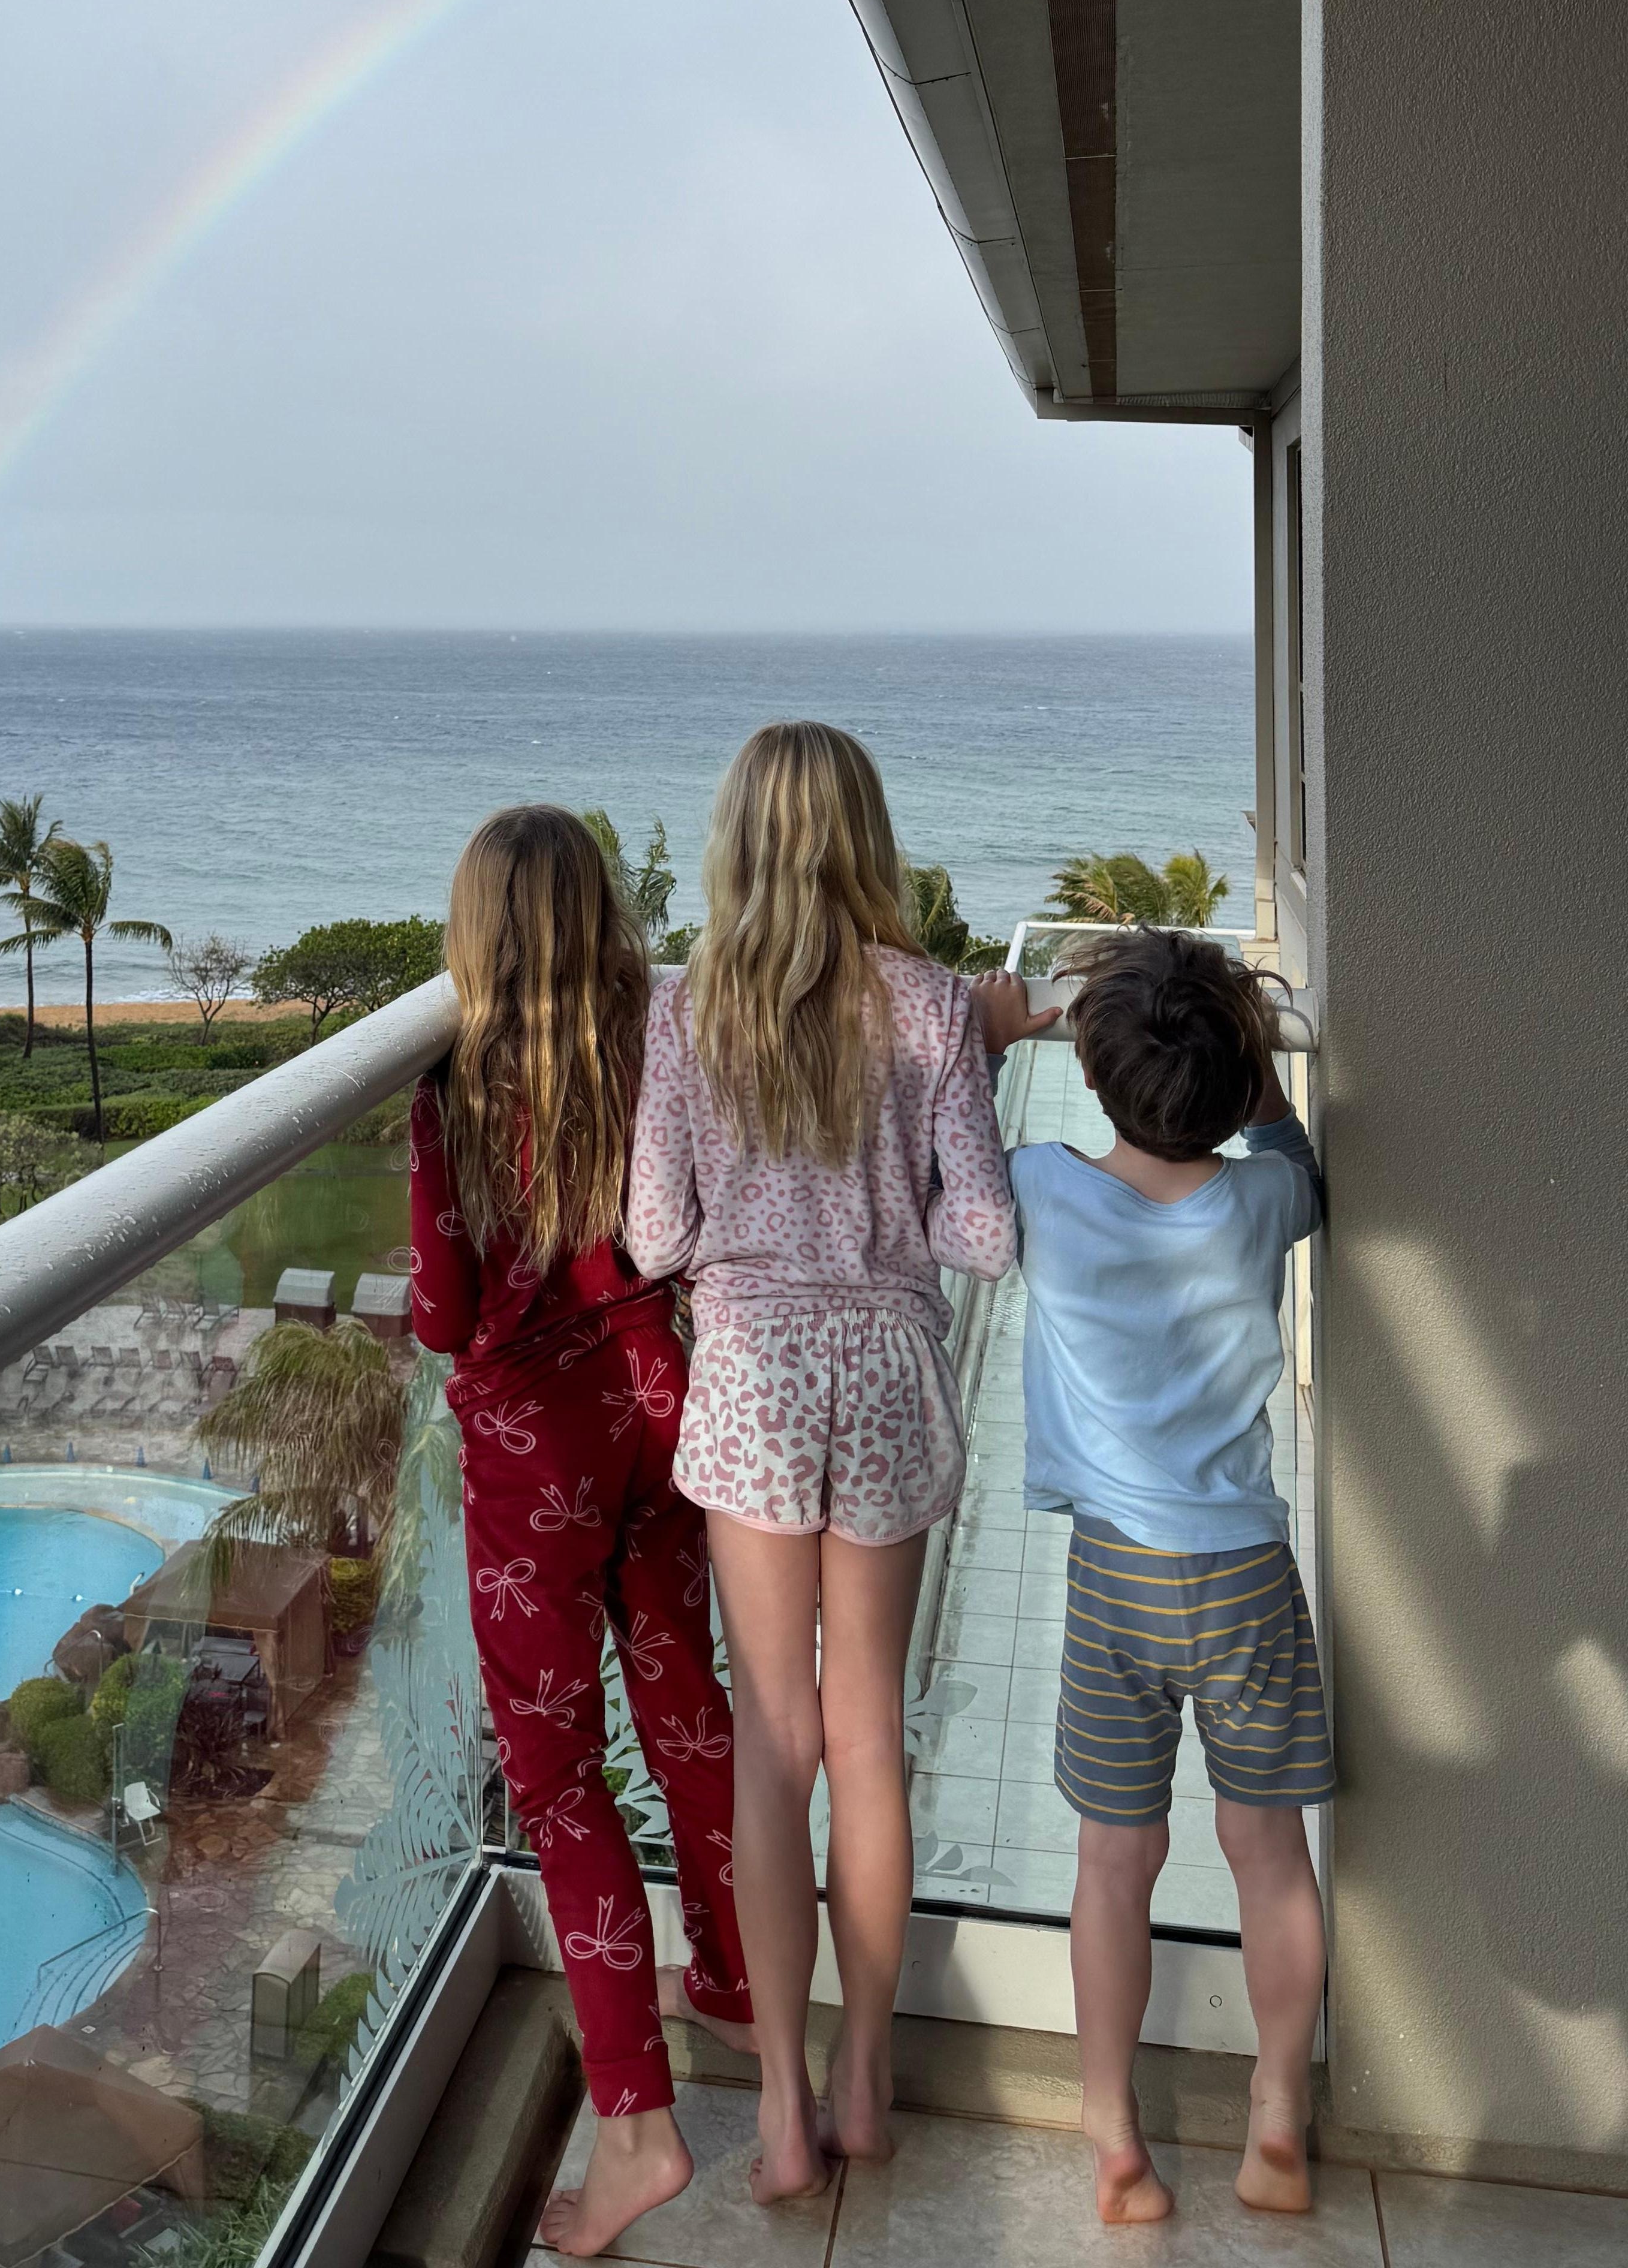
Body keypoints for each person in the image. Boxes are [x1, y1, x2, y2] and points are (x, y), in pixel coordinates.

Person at [625, 722, 1054, 2203]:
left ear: (738, 844)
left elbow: (655, 1238)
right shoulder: (936, 1008)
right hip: (882, 1376)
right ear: (868, 839)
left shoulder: (680, 1015)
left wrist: (753, 1243)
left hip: (747, 1376)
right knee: (869, 1742)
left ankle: (788, 2115)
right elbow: (986, 1236)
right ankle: (872, 2084)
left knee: (776, 1745)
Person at [411, 805, 755, 2258]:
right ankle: (736, 1978)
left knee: (557, 1777)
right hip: (655, 1407)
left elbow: (439, 1310)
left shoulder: (456, 1087)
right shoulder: (659, 1034)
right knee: (689, 1708)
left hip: (530, 1448)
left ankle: (636, 2123)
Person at [1015, 927, 1331, 2225]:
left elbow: (950, 1167)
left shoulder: (1043, 1186)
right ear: (1242, 1069)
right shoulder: (1263, 1201)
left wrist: (998, 1030)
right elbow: (1295, 1164)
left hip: (1117, 1582)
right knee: (1270, 1857)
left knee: (1113, 1862)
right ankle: (1276, 2125)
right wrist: (1265, 1093)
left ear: (1093, 1070)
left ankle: (1117, 2145)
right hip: (1246, 1571)